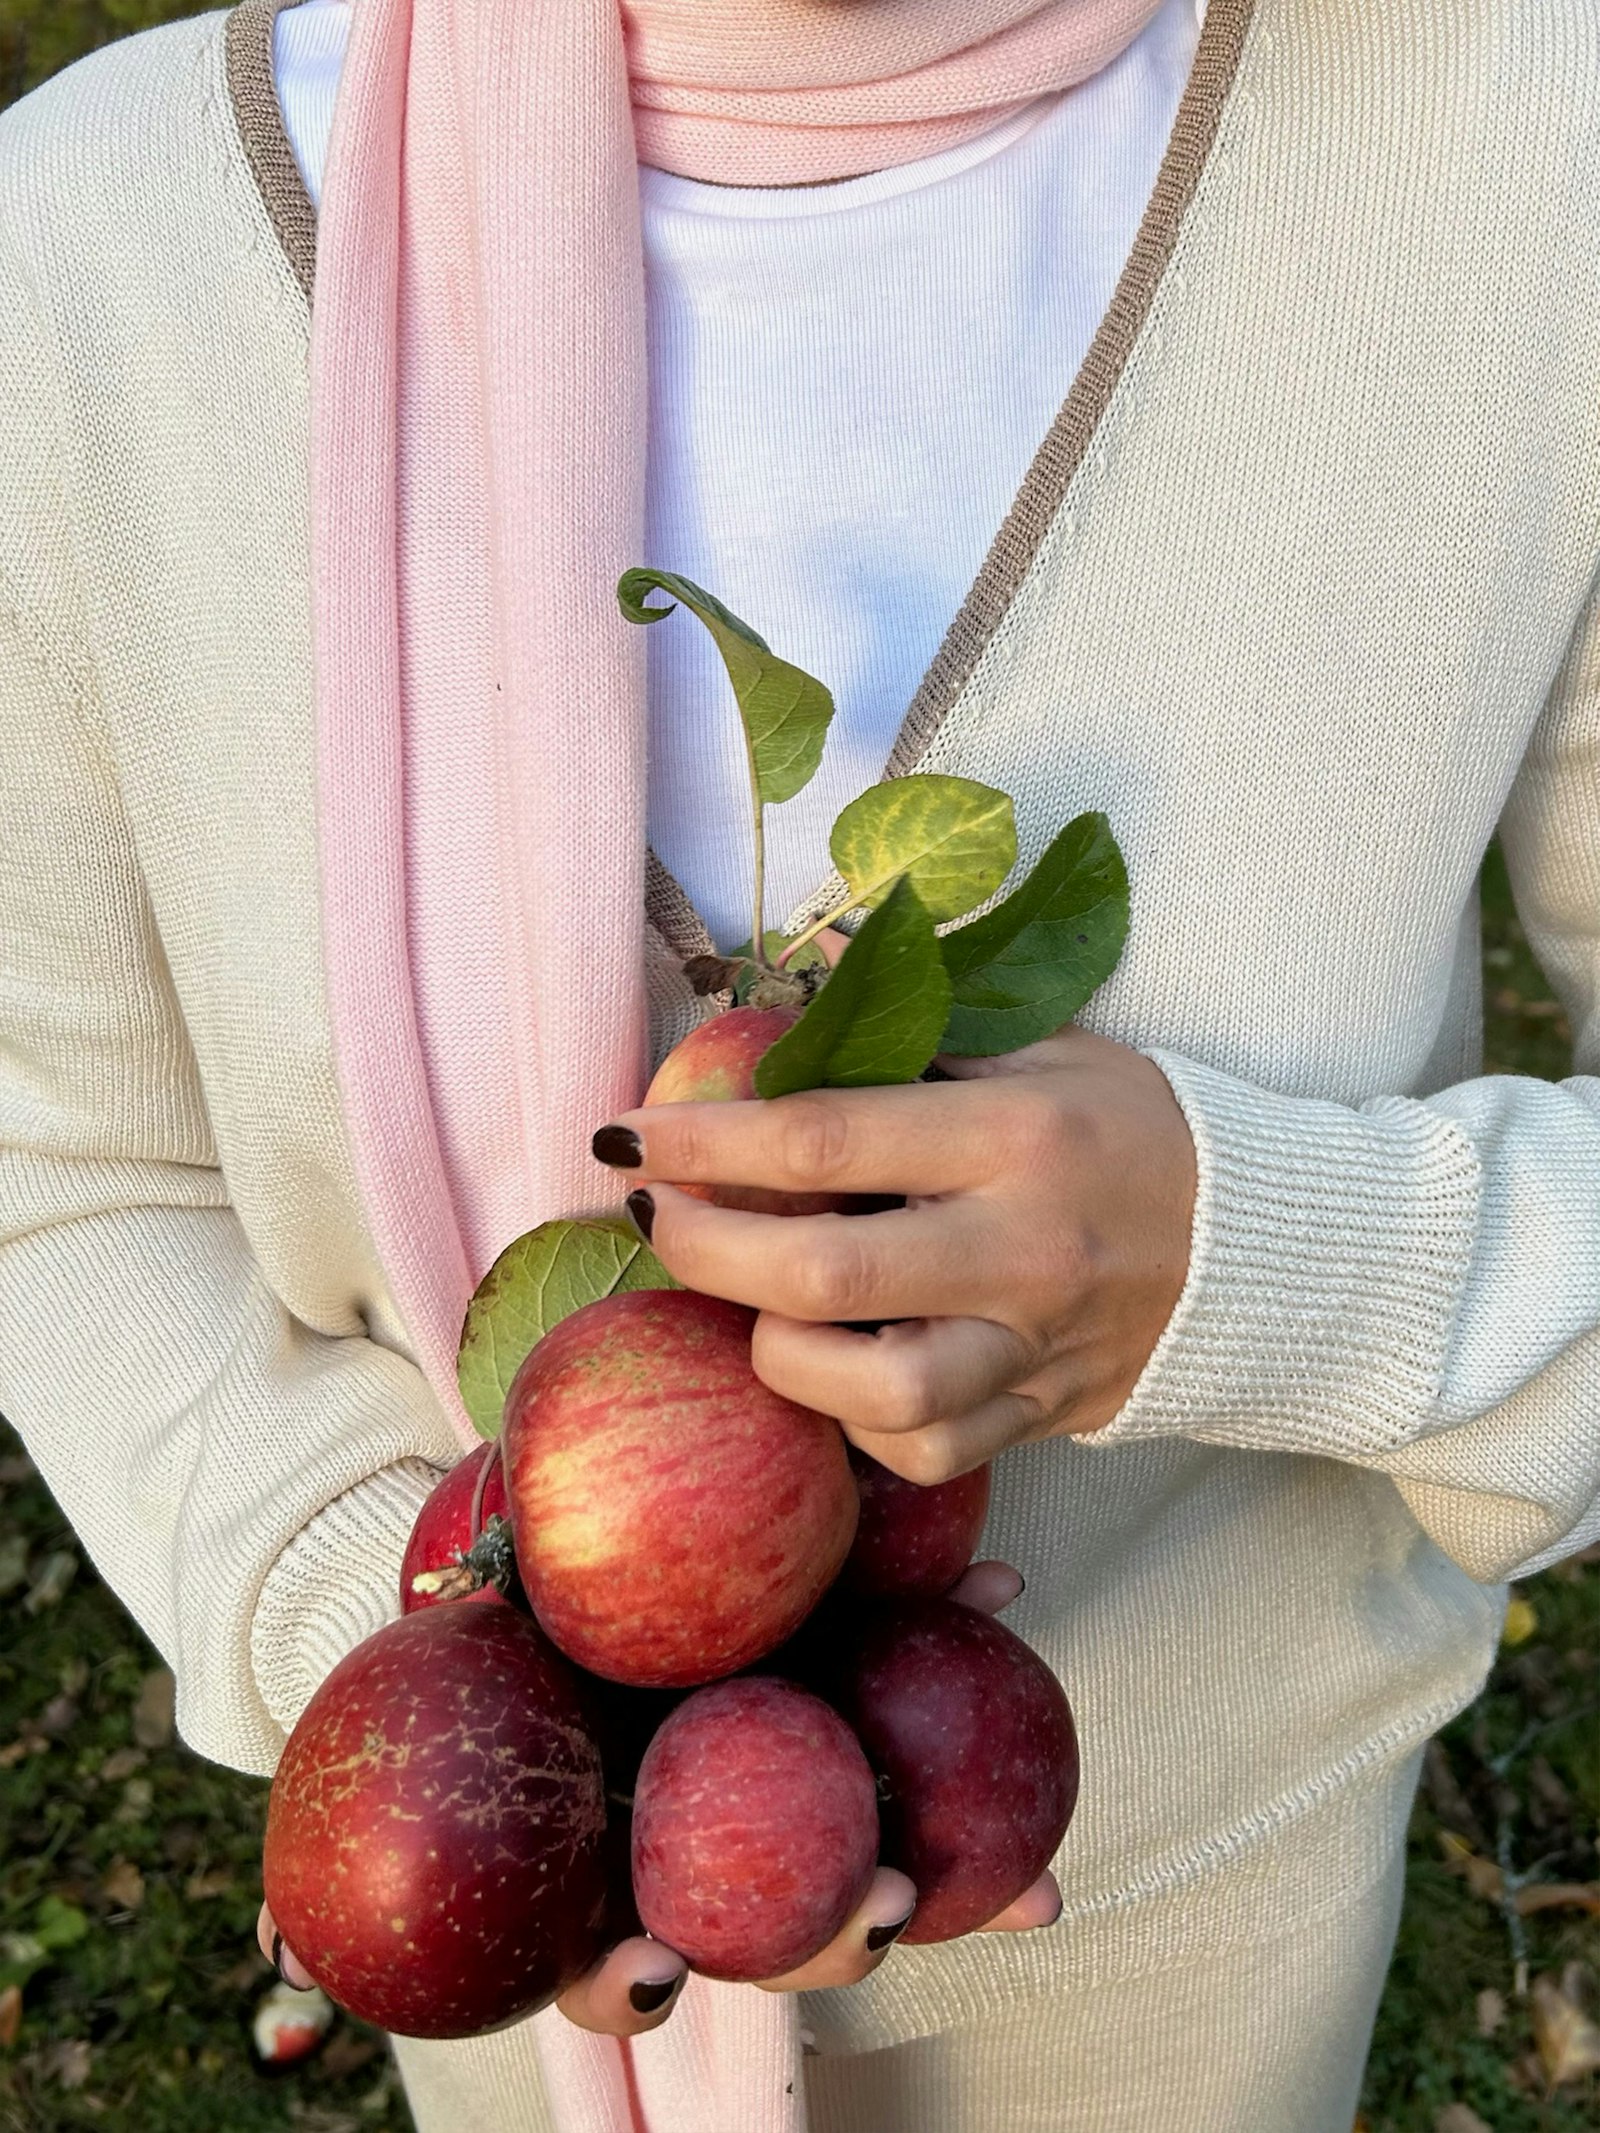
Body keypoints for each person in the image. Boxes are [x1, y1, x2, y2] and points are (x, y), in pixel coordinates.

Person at [1, 0, 1597, 2126]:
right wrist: (427, 1674)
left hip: (1204, 1940)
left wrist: (1258, 1258)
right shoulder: (98, 251)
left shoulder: (1526, 147)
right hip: (524, 1968)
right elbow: (63, 1166)